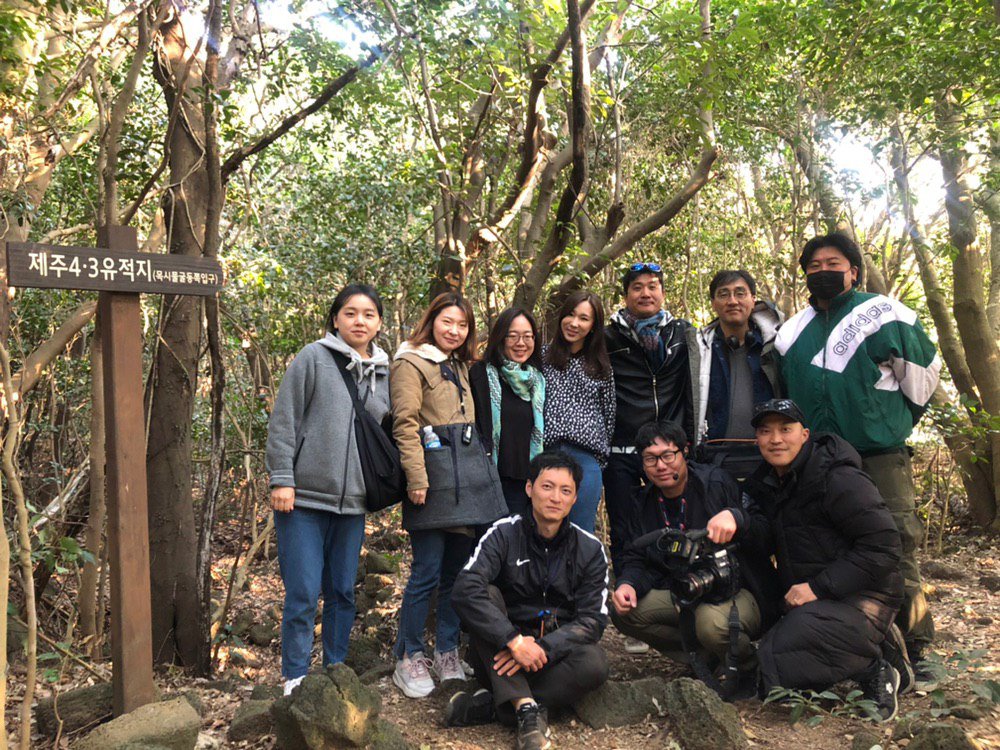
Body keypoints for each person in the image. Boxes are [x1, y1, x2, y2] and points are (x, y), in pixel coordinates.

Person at [775, 233, 941, 665]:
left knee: (896, 542)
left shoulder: (883, 313)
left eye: (833, 263)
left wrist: (891, 422)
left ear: (853, 269)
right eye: (813, 266)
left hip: (879, 453)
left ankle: (918, 646)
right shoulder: (791, 332)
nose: (823, 271)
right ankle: (862, 645)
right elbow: (786, 394)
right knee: (832, 546)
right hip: (820, 460)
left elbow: (922, 374)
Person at [746, 399, 907, 721]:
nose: (776, 439)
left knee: (779, 659)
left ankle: (876, 669)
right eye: (766, 432)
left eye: (785, 429)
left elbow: (884, 547)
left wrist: (818, 588)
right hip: (817, 597)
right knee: (769, 676)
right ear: (757, 440)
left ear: (804, 434)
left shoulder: (837, 477)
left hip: (866, 592)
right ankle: (865, 643)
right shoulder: (768, 482)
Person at [265, 284, 391, 696]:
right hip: (302, 499)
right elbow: (285, 420)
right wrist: (282, 478)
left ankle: (335, 667)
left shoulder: (387, 373)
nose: (360, 321)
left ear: (379, 322)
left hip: (353, 502)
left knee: (341, 590)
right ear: (336, 318)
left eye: (369, 314)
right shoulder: (313, 358)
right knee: (302, 592)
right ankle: (296, 677)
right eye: (351, 313)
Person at [447, 450, 610, 750]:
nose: (555, 498)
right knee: (486, 595)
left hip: (553, 656)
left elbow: (593, 621)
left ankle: (502, 705)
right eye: (547, 486)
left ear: (575, 499)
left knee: (595, 663)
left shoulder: (589, 549)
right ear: (529, 488)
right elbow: (465, 588)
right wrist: (514, 641)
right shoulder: (504, 533)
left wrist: (543, 647)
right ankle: (526, 708)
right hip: (500, 653)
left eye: (566, 491)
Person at [391, 292, 504, 698]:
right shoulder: (409, 362)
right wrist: (416, 478)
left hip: (467, 481)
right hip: (433, 480)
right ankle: (409, 656)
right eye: (447, 323)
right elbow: (405, 424)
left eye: (462, 325)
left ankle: (447, 651)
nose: (455, 331)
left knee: (457, 573)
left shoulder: (459, 365)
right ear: (432, 321)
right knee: (426, 571)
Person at [610, 421, 778, 693]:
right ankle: (707, 657)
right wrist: (627, 582)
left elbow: (766, 534)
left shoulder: (715, 483)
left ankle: (749, 665)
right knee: (626, 613)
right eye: (651, 459)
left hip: (737, 589)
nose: (661, 466)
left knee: (710, 624)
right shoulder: (643, 502)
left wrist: (737, 518)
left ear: (684, 452)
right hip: (685, 588)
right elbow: (636, 556)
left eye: (668, 455)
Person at [604, 262, 693, 576]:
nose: (645, 293)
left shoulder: (682, 332)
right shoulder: (608, 337)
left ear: (663, 293)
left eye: (652, 286)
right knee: (624, 525)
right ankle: (628, 585)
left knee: (676, 519)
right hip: (622, 450)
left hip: (669, 447)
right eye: (637, 287)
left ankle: (674, 581)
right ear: (626, 295)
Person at [688, 270, 783, 481]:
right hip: (714, 460)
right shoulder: (699, 349)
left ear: (753, 299)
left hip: (769, 457)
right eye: (724, 294)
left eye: (740, 293)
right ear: (713, 303)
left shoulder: (776, 346)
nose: (733, 301)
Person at [542, 290, 616, 533]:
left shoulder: (601, 366)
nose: (574, 323)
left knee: (580, 532)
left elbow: (609, 414)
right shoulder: (542, 357)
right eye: (570, 315)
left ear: (594, 326)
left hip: (585, 457)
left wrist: (599, 458)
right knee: (545, 530)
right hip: (547, 454)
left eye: (584, 318)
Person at [471, 308, 546, 519]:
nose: (520, 343)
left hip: (527, 482)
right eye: (512, 336)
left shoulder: (538, 380)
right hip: (488, 479)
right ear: (500, 338)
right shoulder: (480, 374)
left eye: (527, 336)